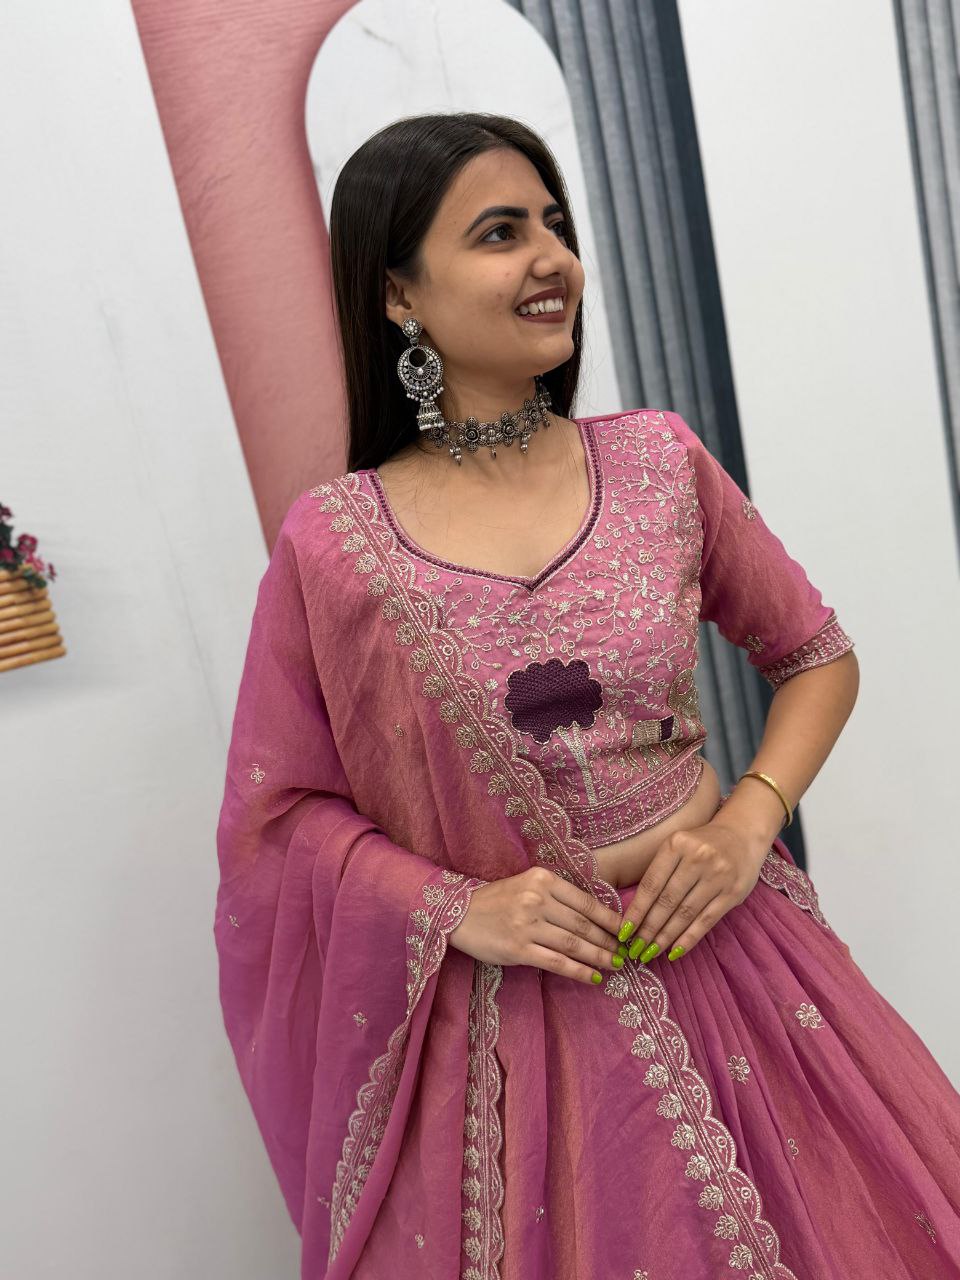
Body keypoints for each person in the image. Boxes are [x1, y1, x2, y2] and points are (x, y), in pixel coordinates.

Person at [214, 112, 960, 1279]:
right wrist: (456, 906)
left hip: (731, 954)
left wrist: (746, 823)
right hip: (518, 1019)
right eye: (500, 232)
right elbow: (282, 817)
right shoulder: (337, 547)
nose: (552, 258)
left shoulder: (658, 460)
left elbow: (816, 654)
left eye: (554, 224)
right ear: (400, 293)